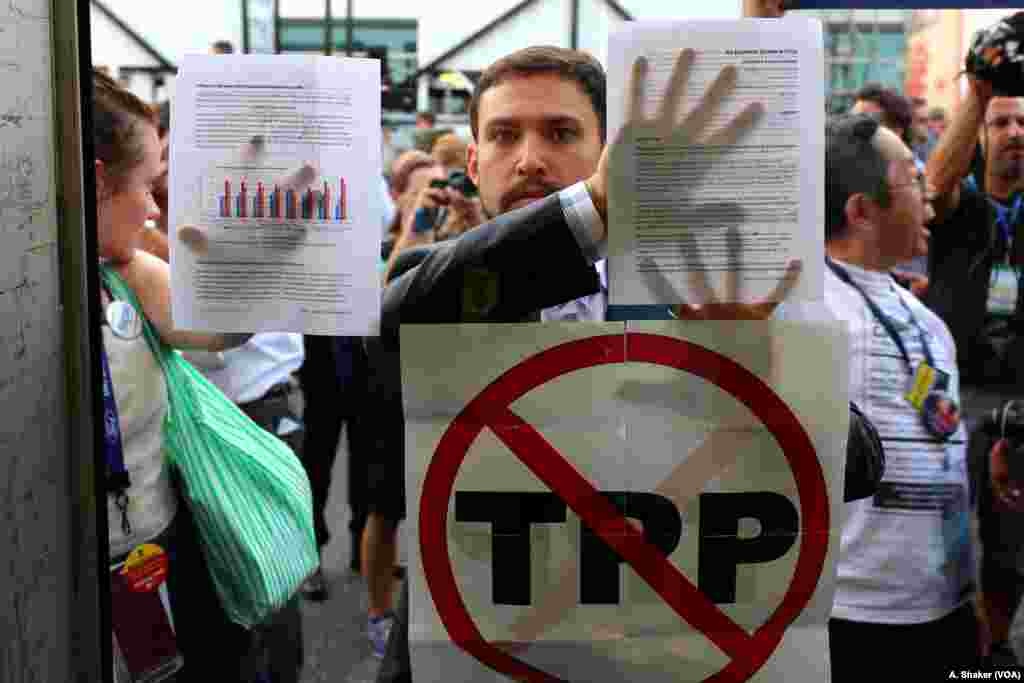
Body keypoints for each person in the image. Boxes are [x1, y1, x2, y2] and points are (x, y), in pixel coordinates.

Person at [92, 68, 254, 681]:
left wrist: (236, 243)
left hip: (143, 552)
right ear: (100, 182)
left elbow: (223, 329)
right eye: (147, 186)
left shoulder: (126, 270)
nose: (155, 207)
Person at [822, 113, 979, 679]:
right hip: (853, 619)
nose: (930, 200)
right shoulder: (801, 307)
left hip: (946, 608)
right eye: (914, 181)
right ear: (860, 211)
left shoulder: (927, 323)